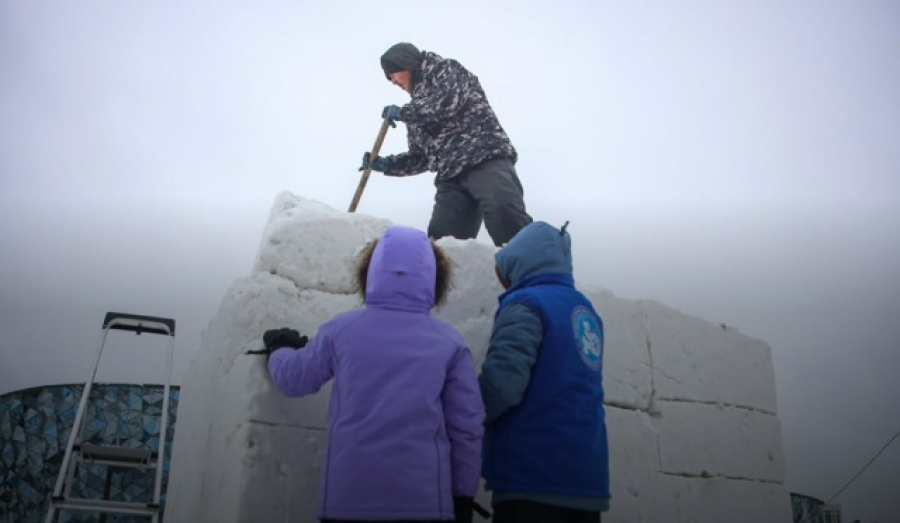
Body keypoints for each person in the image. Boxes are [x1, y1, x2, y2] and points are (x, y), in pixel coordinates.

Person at [263, 226, 486, 522]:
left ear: (370, 274)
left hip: (348, 501)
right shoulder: (450, 343)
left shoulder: (341, 331)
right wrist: (462, 496)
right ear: (435, 280)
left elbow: (295, 379)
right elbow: (467, 428)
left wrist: (279, 350)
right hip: (423, 505)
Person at [478, 221, 611, 523]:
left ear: (519, 260)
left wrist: (460, 418)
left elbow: (503, 385)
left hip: (533, 474)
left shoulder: (526, 303)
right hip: (587, 479)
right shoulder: (584, 309)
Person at [360, 42, 532, 247]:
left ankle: (531, 273)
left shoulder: (445, 70)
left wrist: (405, 114)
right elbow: (421, 157)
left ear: (405, 62)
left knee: (505, 215)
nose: (392, 81)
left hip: (484, 159)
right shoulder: (415, 108)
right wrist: (386, 164)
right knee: (442, 243)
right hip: (451, 178)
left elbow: (446, 103)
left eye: (392, 74)